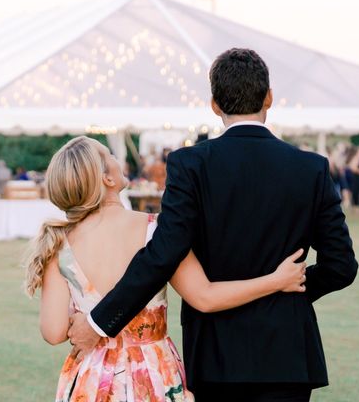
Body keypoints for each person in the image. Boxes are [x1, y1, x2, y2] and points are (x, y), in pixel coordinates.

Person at [69, 48, 358, 401]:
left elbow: (162, 254)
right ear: (269, 97)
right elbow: (341, 266)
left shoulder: (190, 165)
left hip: (215, 355)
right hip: (287, 354)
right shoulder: (310, 168)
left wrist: (99, 322)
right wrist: (289, 291)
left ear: (214, 105)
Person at [23, 136, 307, 402]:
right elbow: (205, 297)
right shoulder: (156, 231)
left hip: (92, 381)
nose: (116, 158)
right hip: (154, 374)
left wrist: (82, 315)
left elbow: (53, 332)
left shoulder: (59, 245)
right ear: (107, 178)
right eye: (110, 155)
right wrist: (275, 281)